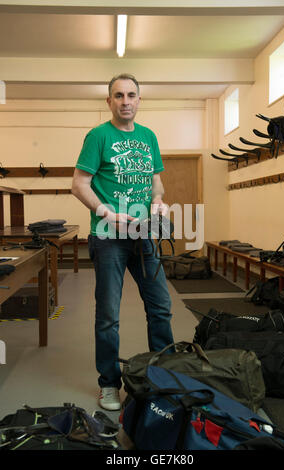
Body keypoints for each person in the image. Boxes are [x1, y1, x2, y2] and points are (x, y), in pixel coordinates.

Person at [72, 73, 174, 411]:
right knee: (108, 316)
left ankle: (165, 376)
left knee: (160, 307)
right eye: (118, 95)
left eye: (131, 95)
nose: (125, 101)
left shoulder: (148, 137)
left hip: (142, 235)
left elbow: (155, 181)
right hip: (108, 238)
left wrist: (158, 200)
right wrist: (106, 213)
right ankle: (109, 384)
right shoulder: (98, 135)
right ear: (109, 101)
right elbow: (79, 184)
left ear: (139, 100)